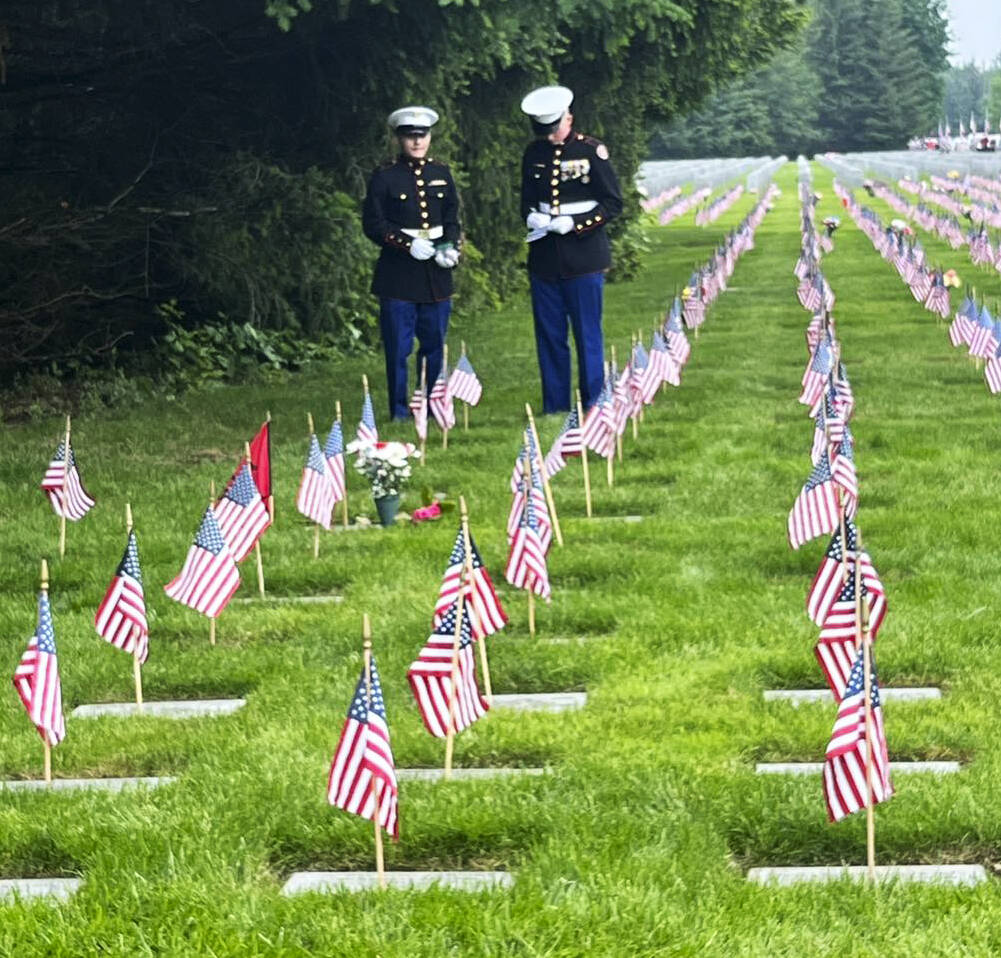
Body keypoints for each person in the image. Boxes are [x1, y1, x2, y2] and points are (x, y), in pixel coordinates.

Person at [520, 85, 623, 414]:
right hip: (545, 259)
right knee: (550, 336)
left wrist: (577, 223)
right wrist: (531, 216)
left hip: (584, 259)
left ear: (569, 118)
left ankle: (593, 403)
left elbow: (612, 203)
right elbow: (525, 201)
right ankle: (555, 406)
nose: (550, 137)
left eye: (555, 128)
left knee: (587, 334)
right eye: (544, 130)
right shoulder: (533, 154)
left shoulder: (591, 151)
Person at [362, 106, 461, 420]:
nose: (417, 142)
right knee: (399, 350)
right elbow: (373, 223)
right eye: (410, 136)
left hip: (435, 274)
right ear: (399, 138)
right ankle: (400, 411)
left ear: (429, 137)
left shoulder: (441, 173)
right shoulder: (385, 175)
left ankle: (432, 405)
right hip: (398, 275)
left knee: (434, 345)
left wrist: (450, 247)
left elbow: (451, 218)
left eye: (423, 135)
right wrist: (406, 244)